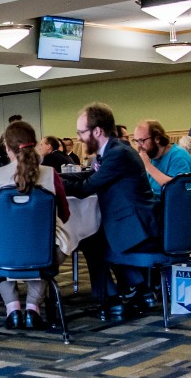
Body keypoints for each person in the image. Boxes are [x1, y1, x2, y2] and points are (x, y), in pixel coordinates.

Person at [62, 103, 159, 320]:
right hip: (131, 222)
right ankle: (139, 288)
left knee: (90, 241)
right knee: (94, 238)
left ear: (97, 131)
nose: (78, 139)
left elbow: (86, 187)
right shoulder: (112, 151)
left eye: (81, 133)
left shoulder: (118, 155)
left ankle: (111, 300)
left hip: (136, 227)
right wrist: (57, 177)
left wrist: (54, 184)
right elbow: (88, 176)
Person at [0, 121, 71, 330]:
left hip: (3, 255)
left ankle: (12, 309)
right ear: (34, 144)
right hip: (44, 255)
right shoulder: (50, 174)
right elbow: (65, 214)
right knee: (42, 248)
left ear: (6, 148)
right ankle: (32, 308)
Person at [133, 120, 191, 198]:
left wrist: (148, 166)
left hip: (173, 207)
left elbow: (177, 189)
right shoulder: (151, 156)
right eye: (136, 141)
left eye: (142, 141)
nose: (138, 146)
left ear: (157, 139)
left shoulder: (178, 156)